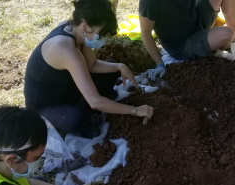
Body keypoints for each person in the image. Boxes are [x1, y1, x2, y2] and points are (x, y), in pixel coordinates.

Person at [24, 0, 153, 138]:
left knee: (112, 67)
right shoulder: (65, 50)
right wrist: (134, 110)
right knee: (74, 119)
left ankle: (94, 106)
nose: (102, 38)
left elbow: (92, 65)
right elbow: (95, 101)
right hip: (45, 105)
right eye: (101, 33)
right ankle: (88, 115)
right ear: (86, 26)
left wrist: (119, 66)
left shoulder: (77, 30)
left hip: (65, 88)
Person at [139, 0, 235, 80]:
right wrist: (160, 64)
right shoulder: (149, 2)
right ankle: (225, 38)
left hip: (197, 20)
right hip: (182, 45)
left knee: (231, 33)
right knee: (227, 34)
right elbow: (145, 34)